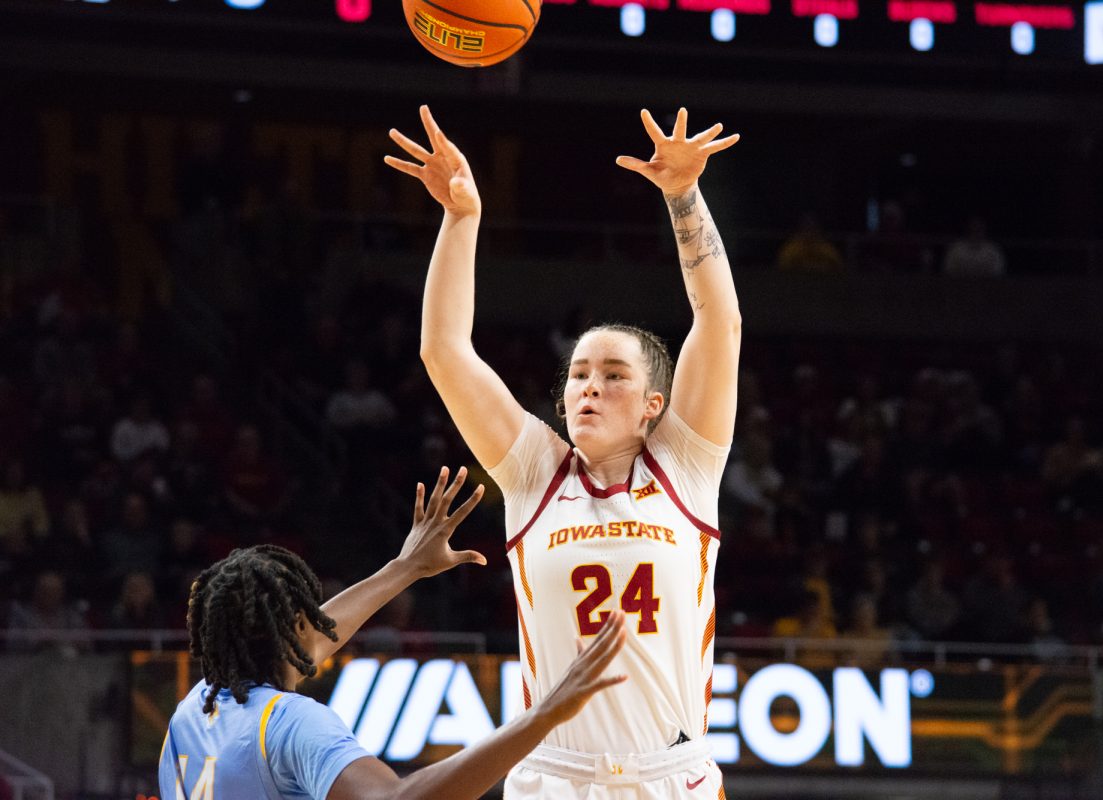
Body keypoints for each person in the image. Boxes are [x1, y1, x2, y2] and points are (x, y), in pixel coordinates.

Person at [388, 104, 740, 798]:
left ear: (653, 407)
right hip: (554, 776)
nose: (589, 387)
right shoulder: (534, 473)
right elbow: (444, 350)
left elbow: (719, 321)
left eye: (613, 376)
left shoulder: (686, 468)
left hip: (672, 776)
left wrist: (683, 195)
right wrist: (461, 221)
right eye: (579, 374)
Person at [160, 467, 628, 800]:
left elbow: (322, 634)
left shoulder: (192, 712)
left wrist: (404, 569)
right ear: (296, 628)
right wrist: (542, 717)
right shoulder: (291, 724)